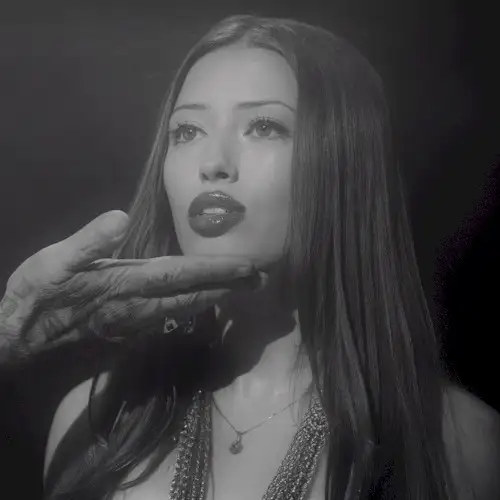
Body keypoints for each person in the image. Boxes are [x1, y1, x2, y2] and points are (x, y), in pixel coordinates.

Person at [1, 13, 499, 500]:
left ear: (348, 163)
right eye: (187, 131)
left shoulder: (463, 445)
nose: (213, 164)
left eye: (263, 126)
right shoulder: (93, 421)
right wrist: (7, 338)